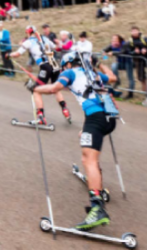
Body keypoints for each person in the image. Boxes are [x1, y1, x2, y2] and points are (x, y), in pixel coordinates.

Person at [32, 51, 117, 230]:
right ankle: (97, 188)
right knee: (91, 156)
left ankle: (97, 208)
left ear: (69, 64)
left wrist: (35, 88)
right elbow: (112, 77)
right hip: (108, 118)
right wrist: (101, 63)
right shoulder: (92, 73)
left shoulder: (70, 72)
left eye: (64, 66)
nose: (63, 70)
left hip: (96, 118)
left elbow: (54, 88)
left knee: (88, 160)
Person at [9, 25, 71, 122]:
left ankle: (40, 117)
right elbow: (57, 48)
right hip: (55, 65)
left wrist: (9, 55)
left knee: (36, 91)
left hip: (46, 66)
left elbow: (17, 54)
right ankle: (65, 109)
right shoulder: (45, 38)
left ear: (29, 33)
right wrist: (59, 44)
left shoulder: (28, 42)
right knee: (56, 89)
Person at [127, 26, 147, 95]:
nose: (134, 32)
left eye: (136, 31)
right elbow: (128, 51)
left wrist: (146, 50)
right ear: (131, 32)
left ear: (139, 31)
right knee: (141, 78)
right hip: (138, 61)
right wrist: (134, 52)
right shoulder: (130, 41)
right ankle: (146, 94)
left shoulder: (144, 38)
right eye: (133, 31)